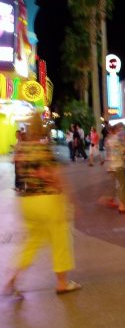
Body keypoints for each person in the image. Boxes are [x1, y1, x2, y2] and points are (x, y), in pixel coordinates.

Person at [3, 113, 81, 299]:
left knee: (32, 241)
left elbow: (20, 171)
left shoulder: (21, 149)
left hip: (27, 201)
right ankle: (62, 282)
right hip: (48, 200)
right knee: (61, 239)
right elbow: (52, 175)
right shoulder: (44, 149)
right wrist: (70, 198)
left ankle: (13, 278)